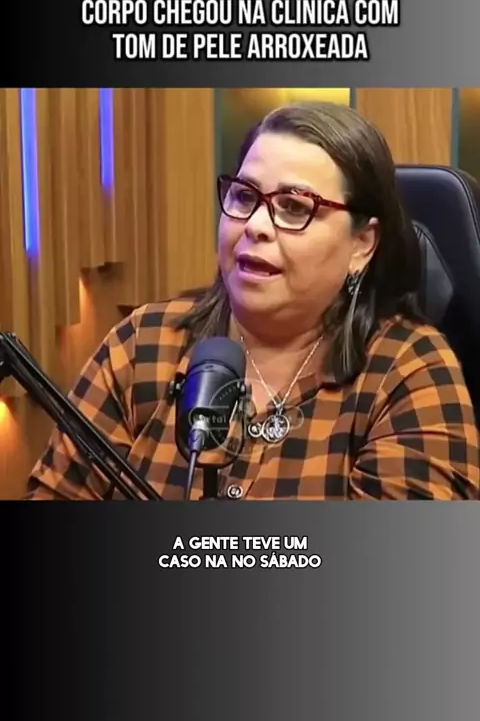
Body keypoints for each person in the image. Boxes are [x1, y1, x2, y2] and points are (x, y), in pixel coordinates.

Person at [25, 102, 480, 500]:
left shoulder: (407, 370)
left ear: (362, 244)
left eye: (294, 207)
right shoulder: (142, 345)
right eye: (245, 197)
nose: (256, 225)